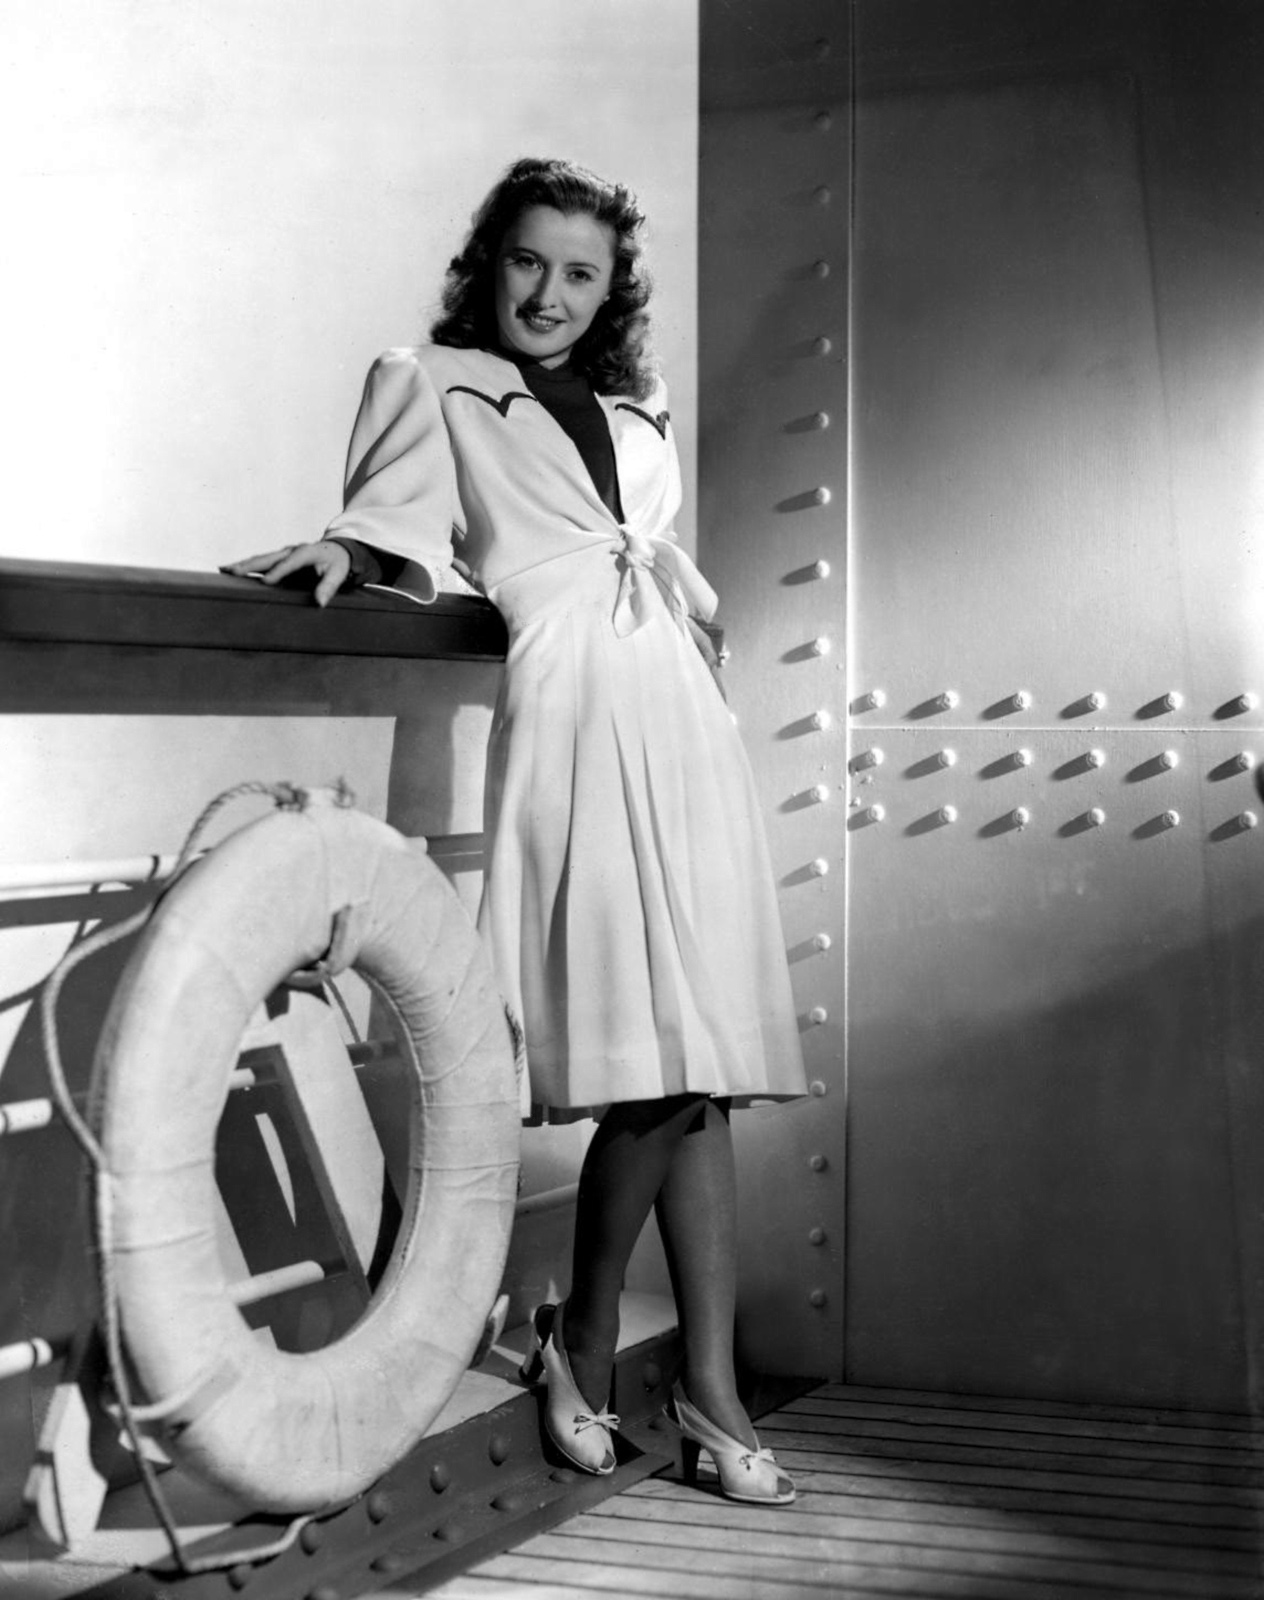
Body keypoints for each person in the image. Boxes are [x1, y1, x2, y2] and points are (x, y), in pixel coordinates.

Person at [222, 157, 807, 1506]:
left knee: (700, 1072)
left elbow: (652, 554)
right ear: (490, 263)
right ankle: (593, 1349)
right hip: (576, 714)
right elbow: (393, 520)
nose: (549, 293)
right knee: (655, 1069)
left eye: (580, 273)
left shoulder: (637, 407)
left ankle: (702, 1386)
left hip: (681, 717)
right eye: (528, 262)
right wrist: (349, 554)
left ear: (612, 290)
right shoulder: (433, 379)